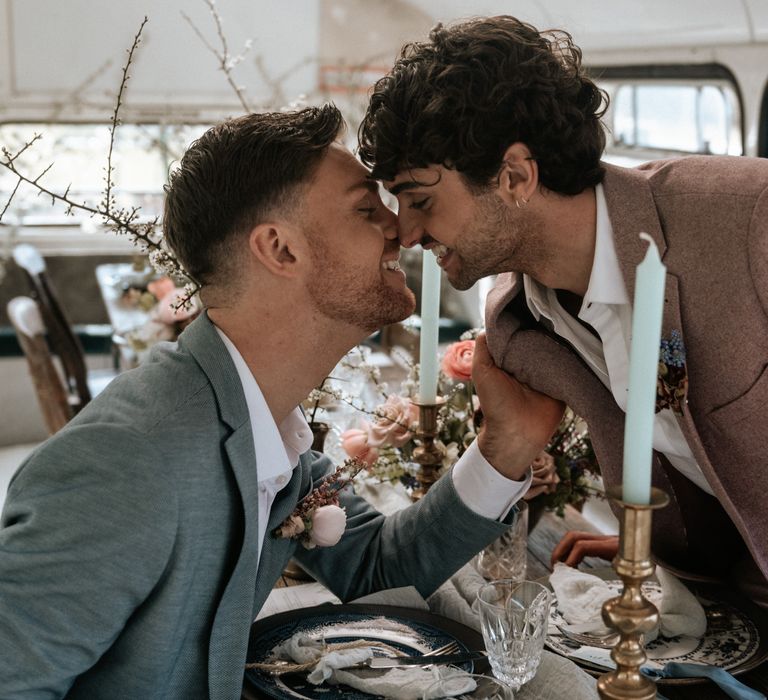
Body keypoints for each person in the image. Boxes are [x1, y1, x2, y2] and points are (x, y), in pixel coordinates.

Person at [0, 106, 567, 698]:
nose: (402, 228)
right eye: (364, 208)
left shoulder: (262, 418)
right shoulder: (126, 461)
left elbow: (375, 565)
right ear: (280, 248)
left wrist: (506, 447)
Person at [358, 16, 768, 606]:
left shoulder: (745, 219)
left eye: (421, 200)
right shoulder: (516, 322)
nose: (407, 232)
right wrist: (645, 547)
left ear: (516, 175)